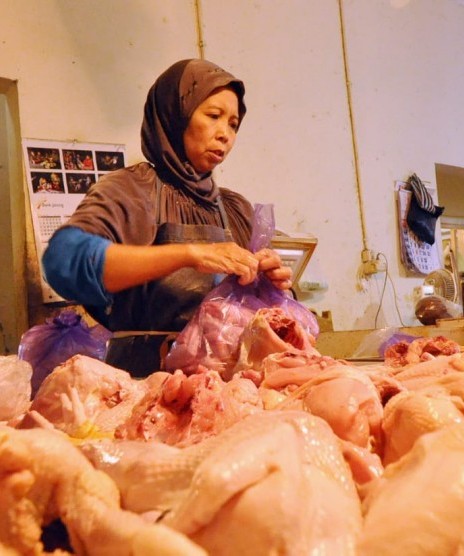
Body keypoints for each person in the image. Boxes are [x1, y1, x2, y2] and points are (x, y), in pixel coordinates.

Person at [42, 58, 293, 376]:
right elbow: (63, 261)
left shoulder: (235, 209)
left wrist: (272, 287)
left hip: (228, 385)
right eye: (213, 116)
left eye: (233, 124)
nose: (225, 134)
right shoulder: (130, 191)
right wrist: (188, 254)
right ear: (176, 115)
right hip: (146, 382)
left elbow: (260, 315)